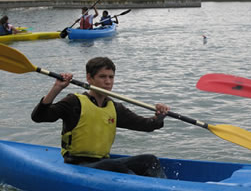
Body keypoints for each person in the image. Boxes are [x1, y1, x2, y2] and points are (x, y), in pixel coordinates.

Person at [31, 57, 169, 178]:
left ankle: (162, 190)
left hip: (102, 163)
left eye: (111, 77)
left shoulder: (114, 108)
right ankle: (142, 190)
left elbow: (145, 125)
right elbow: (39, 117)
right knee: (112, 166)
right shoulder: (74, 102)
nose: (108, 82)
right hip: (77, 164)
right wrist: (57, 88)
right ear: (89, 78)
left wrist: (160, 116)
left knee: (150, 160)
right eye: (102, 77)